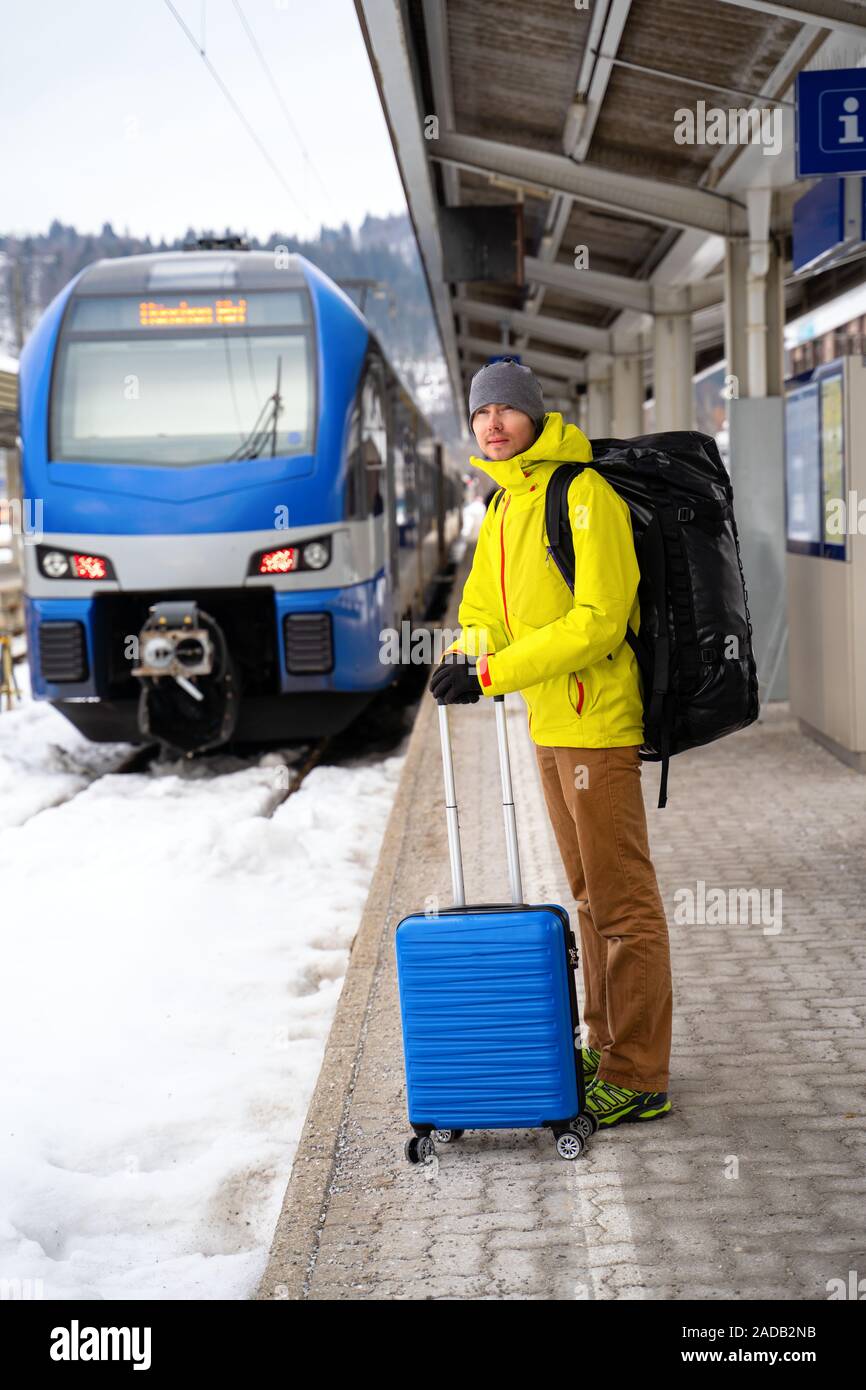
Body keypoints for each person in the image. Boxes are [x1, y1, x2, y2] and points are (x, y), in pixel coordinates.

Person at [428, 358, 673, 1128]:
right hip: (549, 724)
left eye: (506, 409)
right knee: (590, 897)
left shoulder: (582, 492)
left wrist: (495, 669)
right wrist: (470, 654)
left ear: (535, 416)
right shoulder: (504, 508)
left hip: (597, 725)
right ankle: (605, 1047)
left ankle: (639, 1076)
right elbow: (481, 609)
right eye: (479, 413)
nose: (492, 423)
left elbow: (598, 618)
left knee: (625, 904)